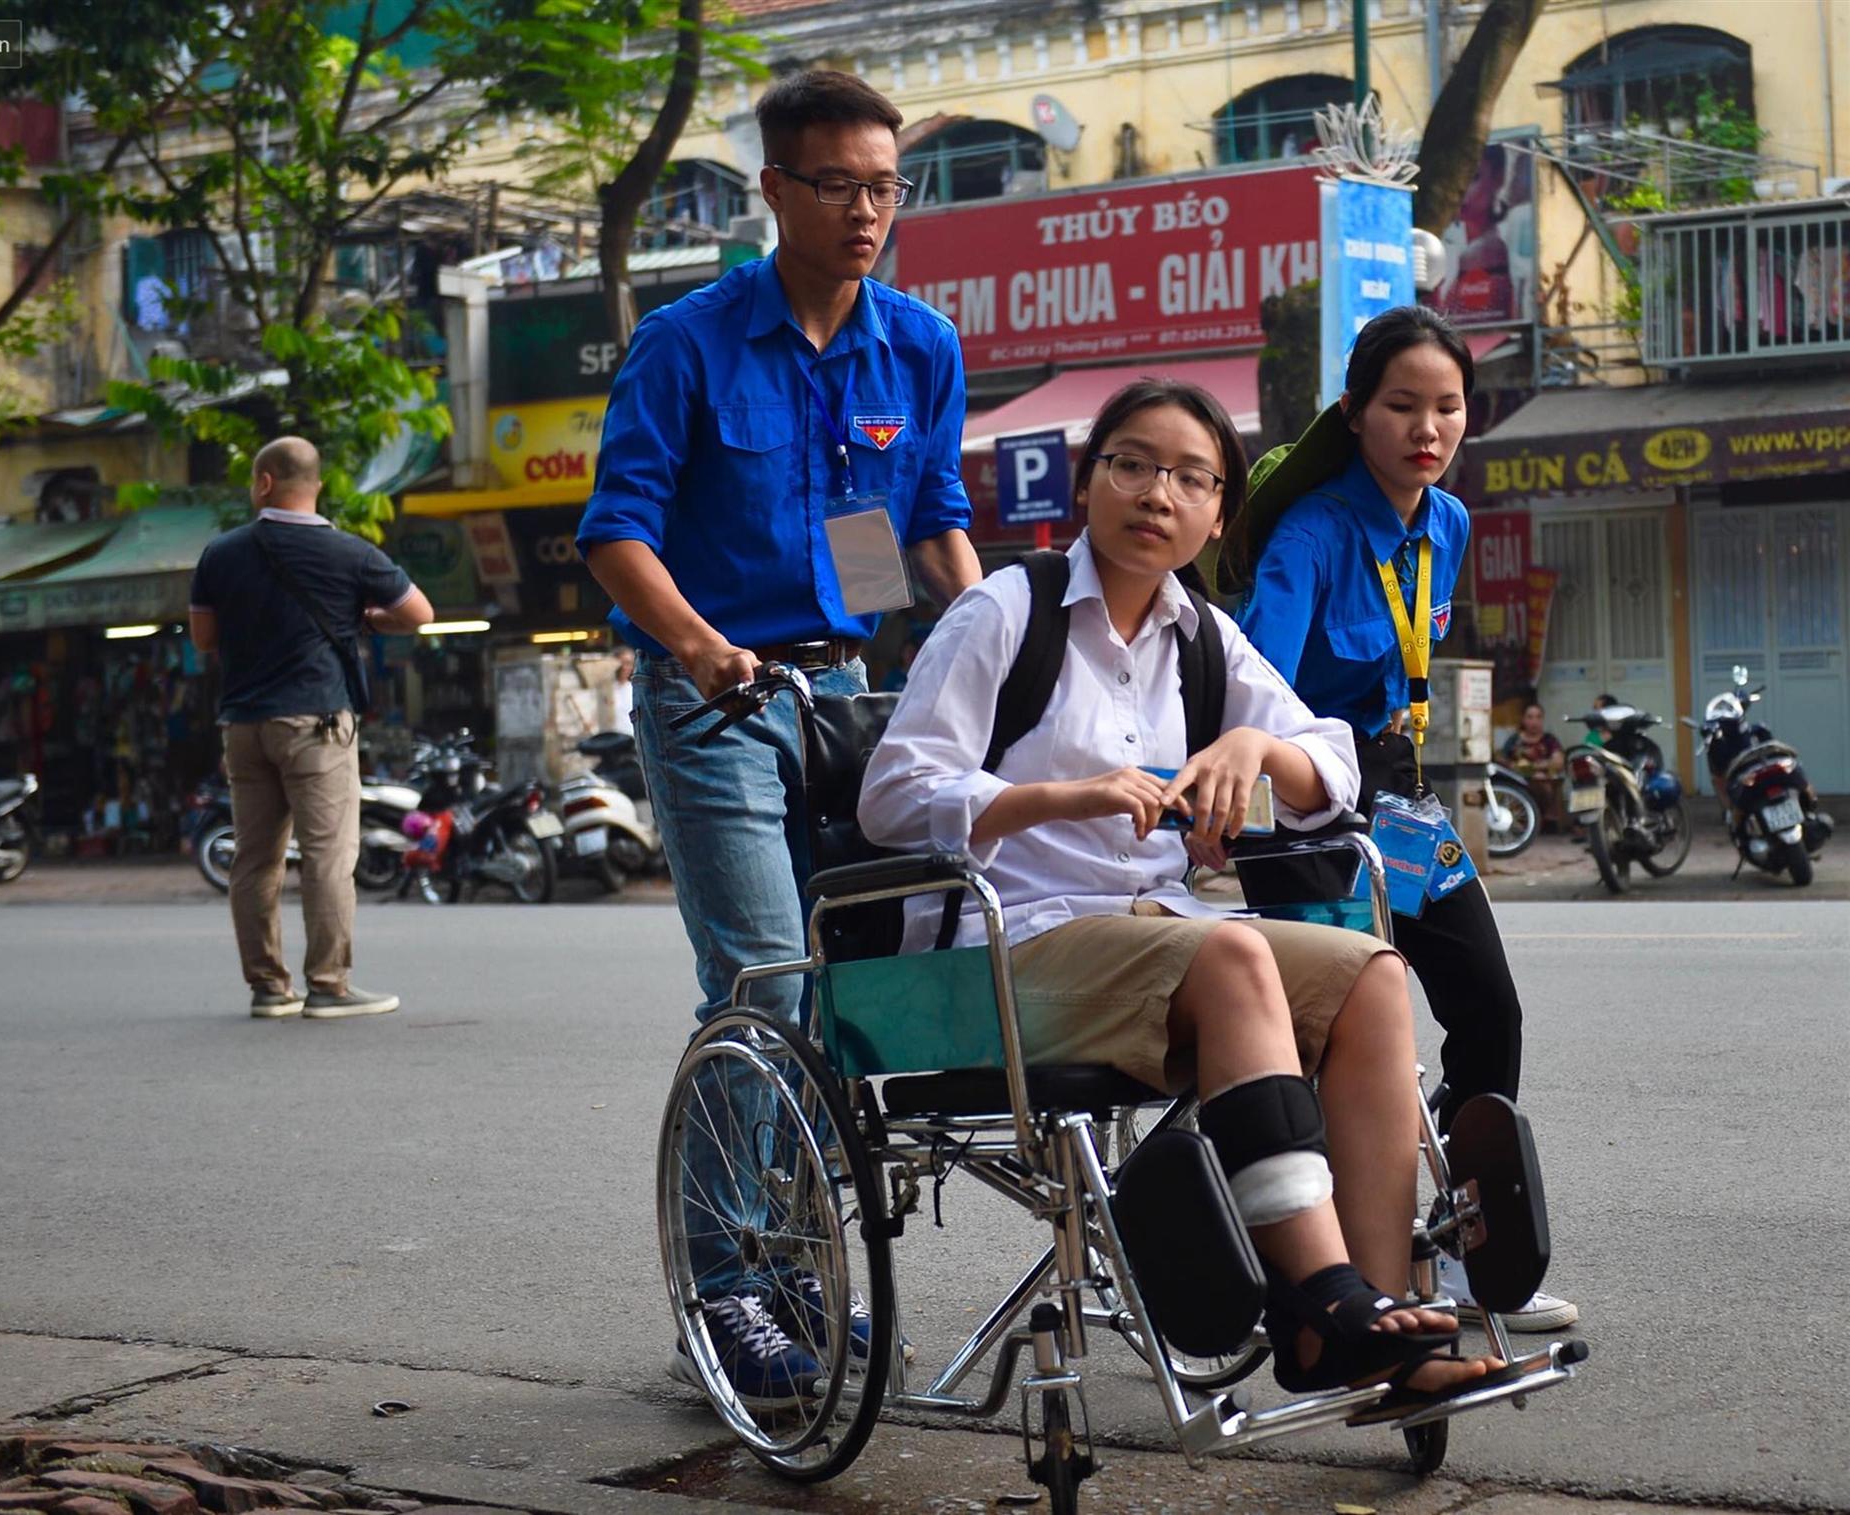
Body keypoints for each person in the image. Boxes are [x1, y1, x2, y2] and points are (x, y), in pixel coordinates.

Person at [860, 379, 1501, 1404]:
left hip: (1158, 944)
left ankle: (1382, 1319)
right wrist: (1055, 798)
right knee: (1235, 948)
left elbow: (1329, 764)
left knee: (1370, 973)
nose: (1158, 492)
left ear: (1217, 513)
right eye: (1131, 463)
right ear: (1087, 485)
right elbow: (892, 794)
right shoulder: (1003, 611)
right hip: (1008, 948)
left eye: (1190, 477)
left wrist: (1251, 745)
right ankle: (1318, 1298)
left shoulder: (1201, 634)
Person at [577, 68, 980, 1407]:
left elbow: (925, 528)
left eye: (886, 186)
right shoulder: (688, 344)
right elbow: (617, 534)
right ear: (776, 191)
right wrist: (700, 650)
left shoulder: (918, 345)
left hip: (857, 702)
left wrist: (1001, 652)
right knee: (765, 981)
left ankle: (807, 1267)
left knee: (873, 991)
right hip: (717, 701)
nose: (868, 211)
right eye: (840, 186)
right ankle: (733, 1291)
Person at [1233, 305, 1577, 1332]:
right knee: (1316, 1050)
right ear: (1353, 411)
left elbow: (1403, 668)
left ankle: (1459, 1253)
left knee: (1485, 1009)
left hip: (1401, 802)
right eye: (1399, 407)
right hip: (1301, 805)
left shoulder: (1450, 523)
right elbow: (1256, 688)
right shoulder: (1310, 533)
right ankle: (1282, 1264)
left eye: (1446, 408)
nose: (1425, 428)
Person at [189, 436, 433, 1020]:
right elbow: (418, 613)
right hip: (316, 724)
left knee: (254, 859)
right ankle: (328, 984)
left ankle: (269, 988)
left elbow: (203, 639)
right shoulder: (351, 553)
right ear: (315, 485)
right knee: (327, 855)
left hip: (244, 727)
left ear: (264, 483)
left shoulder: (220, 554)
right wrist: (367, 619)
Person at [1501, 700, 1566, 831]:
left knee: (1544, 784)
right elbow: (1502, 759)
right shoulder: (1514, 740)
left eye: (1538, 717)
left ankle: (1547, 821)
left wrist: (1534, 768)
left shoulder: (1549, 740)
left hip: (1544, 782)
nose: (1534, 722)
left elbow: (1558, 761)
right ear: (1524, 720)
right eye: (1530, 717)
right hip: (1519, 782)